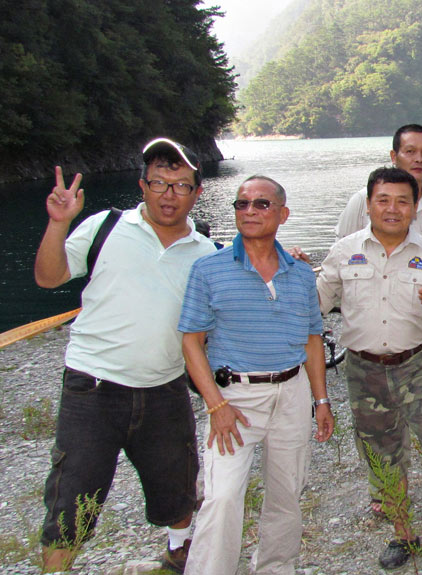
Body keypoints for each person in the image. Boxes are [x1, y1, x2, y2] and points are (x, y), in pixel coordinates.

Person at [33, 139, 216, 573]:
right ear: (142, 185)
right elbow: (49, 277)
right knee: (72, 493)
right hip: (92, 388)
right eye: (159, 182)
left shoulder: (206, 252)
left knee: (177, 483)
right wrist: (59, 223)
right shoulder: (105, 227)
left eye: (181, 185)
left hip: (165, 388)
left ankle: (177, 551)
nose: (169, 195)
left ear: (196, 193)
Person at [178, 175, 333, 575]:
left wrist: (321, 400)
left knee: (287, 493)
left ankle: (276, 567)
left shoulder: (300, 274)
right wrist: (216, 405)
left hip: (292, 392)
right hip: (235, 397)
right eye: (241, 204)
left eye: (262, 204)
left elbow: (313, 339)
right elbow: (191, 342)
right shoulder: (208, 270)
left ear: (283, 214)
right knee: (223, 497)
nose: (249, 211)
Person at [317, 167, 422, 570]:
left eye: (403, 201)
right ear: (368, 204)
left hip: (416, 365)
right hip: (363, 371)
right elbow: (315, 305)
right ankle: (403, 534)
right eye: (383, 200)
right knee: (383, 456)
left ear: (414, 207)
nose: (392, 209)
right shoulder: (344, 251)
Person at [334, 124, 422, 406]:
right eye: (410, 151)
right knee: (380, 413)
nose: (419, 159)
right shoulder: (362, 202)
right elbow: (342, 257)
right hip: (379, 332)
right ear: (394, 156)